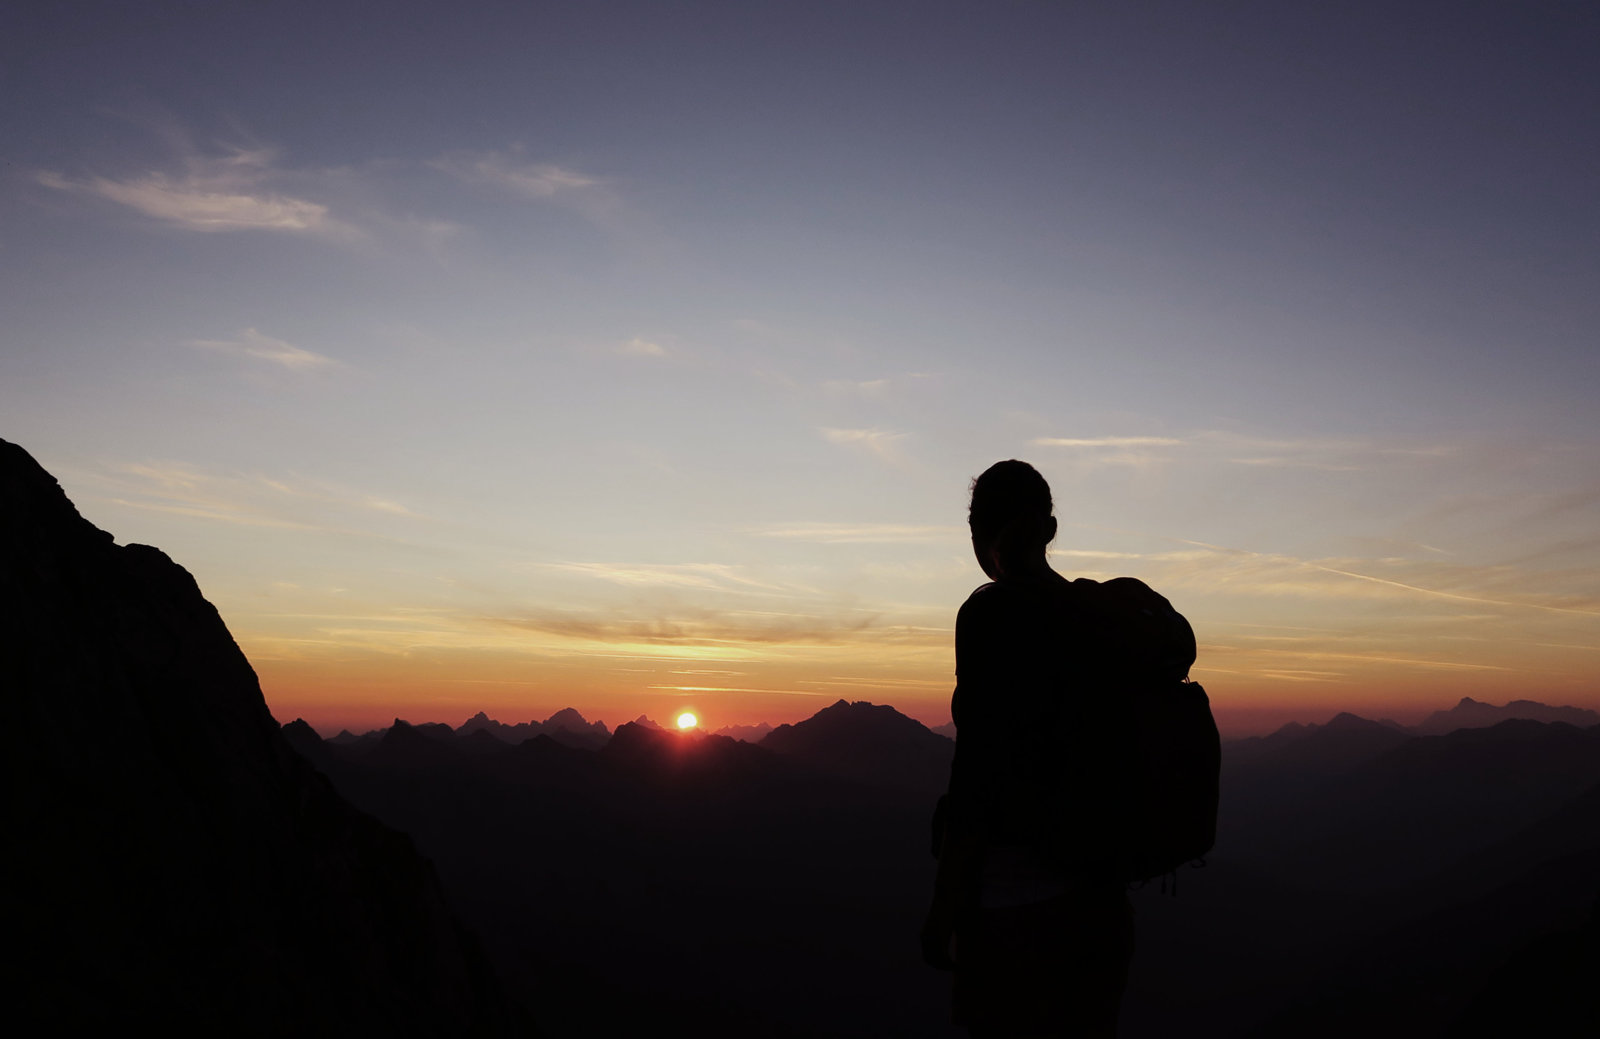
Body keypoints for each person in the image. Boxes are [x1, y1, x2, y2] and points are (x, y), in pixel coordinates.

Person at [922, 459, 1196, 1038]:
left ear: (977, 535)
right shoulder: (1098, 619)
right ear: (1049, 529)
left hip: (1012, 914)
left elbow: (977, 777)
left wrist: (943, 909)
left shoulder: (990, 615)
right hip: (1100, 910)